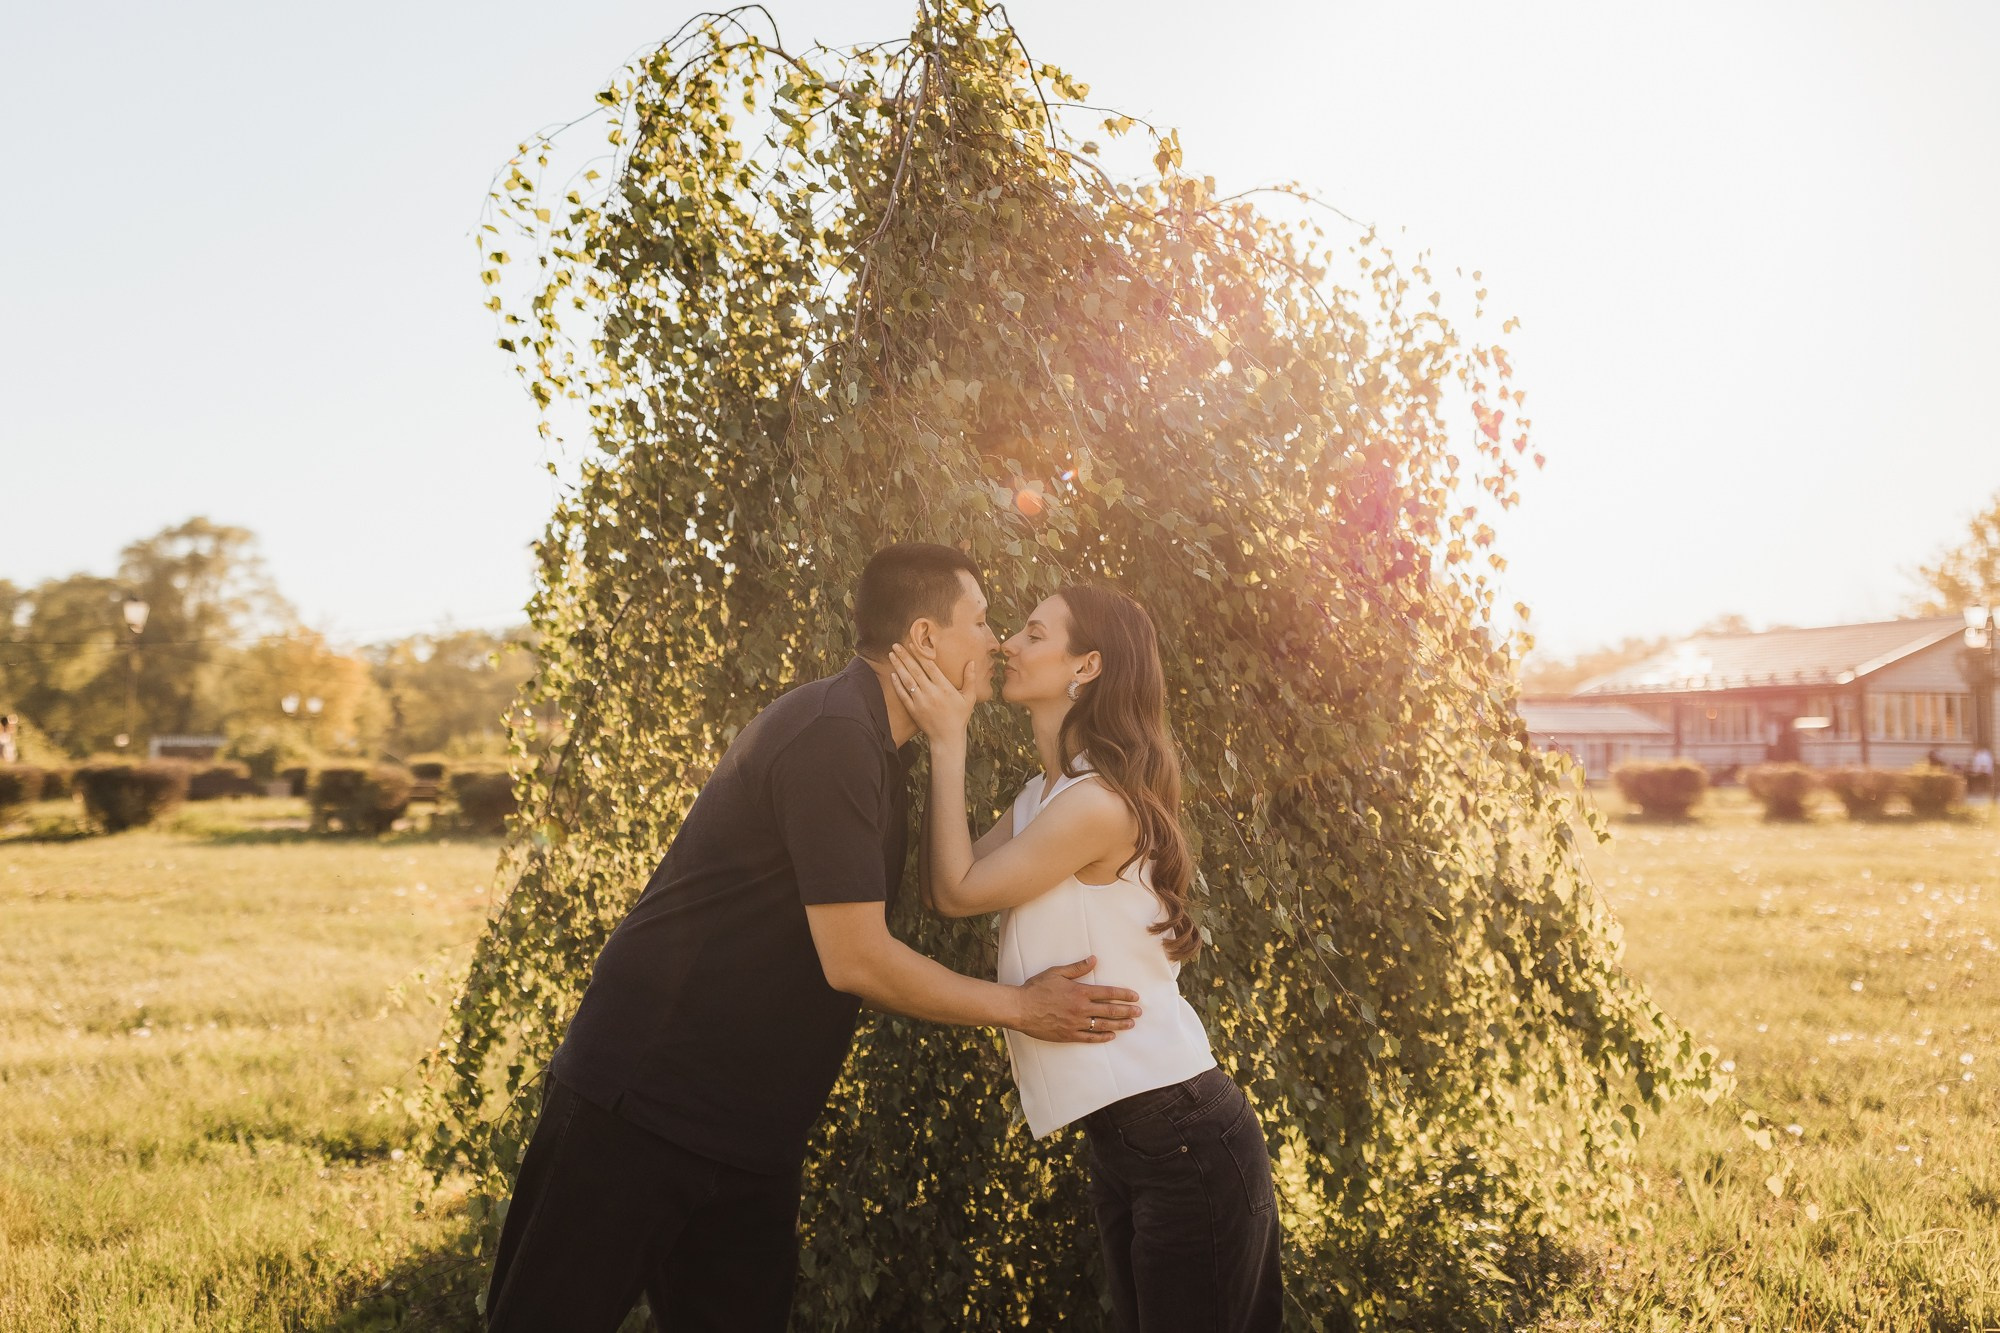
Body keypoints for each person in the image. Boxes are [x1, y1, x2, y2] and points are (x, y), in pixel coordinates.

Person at [483, 545, 1146, 1333]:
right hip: (643, 1104)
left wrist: (949, 747)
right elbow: (856, 957)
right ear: (924, 637)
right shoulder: (832, 734)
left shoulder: (877, 746)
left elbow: (942, 892)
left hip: (749, 1129)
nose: (996, 640)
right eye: (980, 620)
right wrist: (1022, 1008)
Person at [890, 584, 1284, 1333]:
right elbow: (943, 887)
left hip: (1182, 1136)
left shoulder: (1098, 804)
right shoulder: (1043, 797)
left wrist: (949, 741)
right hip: (1131, 1138)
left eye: (1034, 634)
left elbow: (959, 890)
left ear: (1088, 665)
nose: (1007, 643)